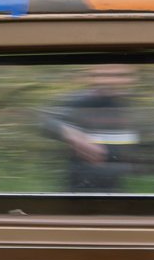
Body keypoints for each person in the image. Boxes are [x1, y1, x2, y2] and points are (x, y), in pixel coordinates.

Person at [45, 63, 142, 193]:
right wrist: (70, 133)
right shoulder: (80, 100)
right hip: (82, 188)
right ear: (93, 77)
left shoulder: (126, 104)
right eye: (104, 75)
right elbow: (45, 120)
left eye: (121, 75)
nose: (112, 81)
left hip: (116, 186)